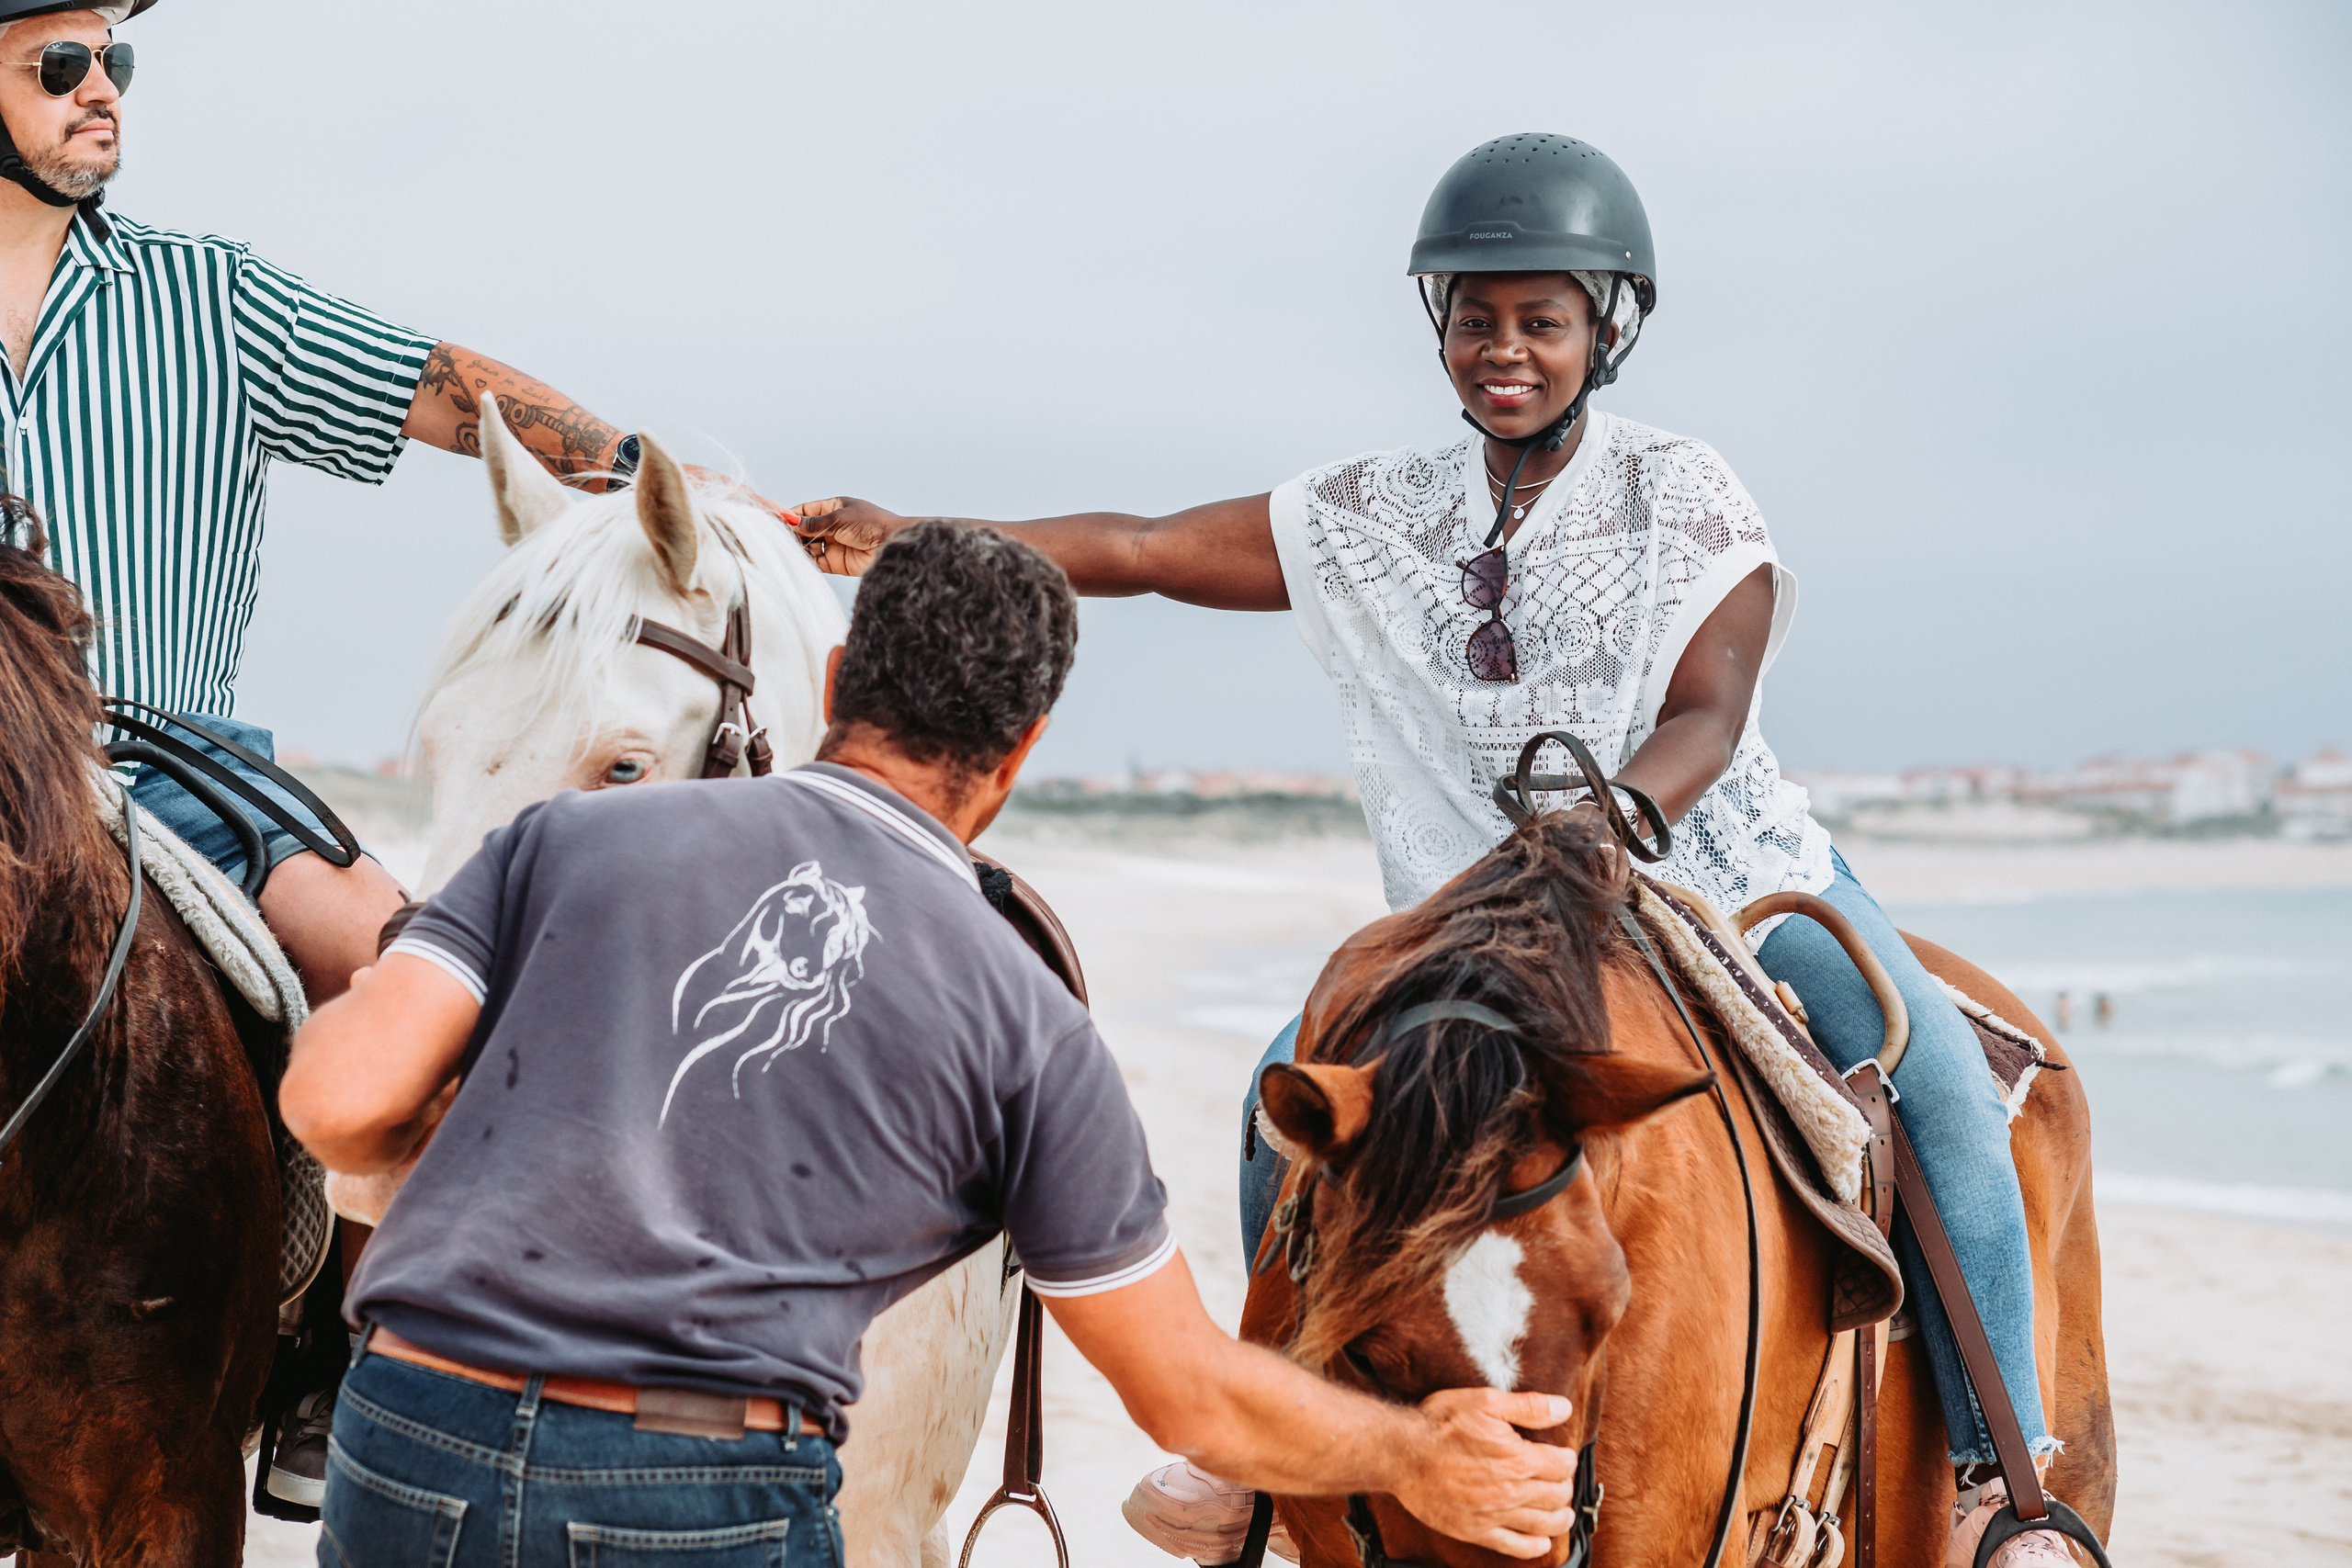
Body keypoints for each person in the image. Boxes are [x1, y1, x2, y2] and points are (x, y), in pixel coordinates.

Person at [789, 136, 2079, 1566]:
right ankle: (1258, 1450)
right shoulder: (1373, 513)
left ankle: (1999, 1486)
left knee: (1940, 1085)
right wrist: (918, 531)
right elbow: (1148, 544)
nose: (1504, 349)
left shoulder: (1686, 492)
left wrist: (1617, 821)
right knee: (1290, 1088)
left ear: (1608, 328)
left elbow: (1710, 710)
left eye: (1542, 320)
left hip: (1722, 883)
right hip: (1490, 933)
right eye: (1476, 318)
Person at [278, 523, 1581, 1568]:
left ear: (839, 684)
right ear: (1023, 752)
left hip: (412, 1431)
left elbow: (335, 1105)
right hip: (695, 1487)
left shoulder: (562, 842)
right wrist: (1419, 1458)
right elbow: (1188, 1395)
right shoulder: (1028, 1022)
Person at [0, 4, 792, 1501]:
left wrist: (650, 485)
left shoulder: (207, 299)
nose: (101, 91)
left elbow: (442, 390)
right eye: (60, 66)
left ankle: (339, 1363)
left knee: (440, 998)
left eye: (116, 63)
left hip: (179, 777)